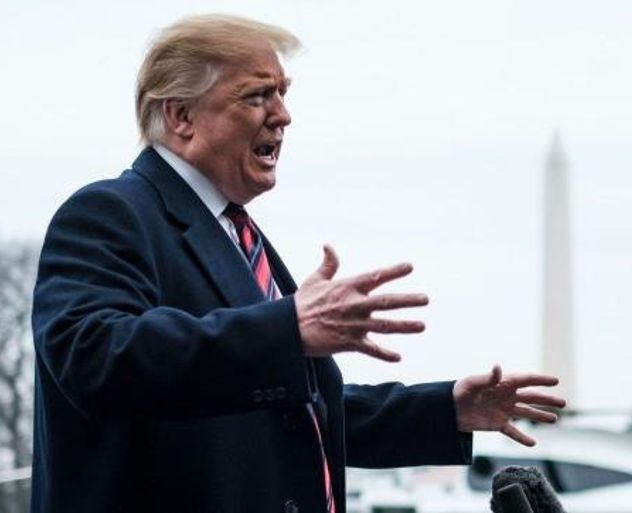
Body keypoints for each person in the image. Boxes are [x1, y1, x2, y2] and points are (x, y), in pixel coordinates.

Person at [30, 14, 565, 513]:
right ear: (181, 115)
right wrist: (288, 329)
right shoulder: (109, 213)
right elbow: (95, 358)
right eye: (258, 95)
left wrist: (445, 409)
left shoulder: (237, 233)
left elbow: (298, 409)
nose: (283, 115)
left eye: (282, 94)